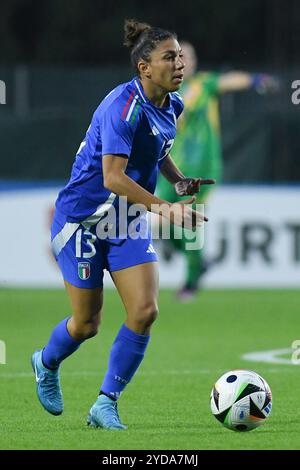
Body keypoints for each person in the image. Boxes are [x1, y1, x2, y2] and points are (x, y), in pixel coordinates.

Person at [31, 20, 215, 430]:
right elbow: (113, 177)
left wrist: (178, 180)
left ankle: (105, 403)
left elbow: (156, 151)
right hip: (83, 220)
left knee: (145, 310)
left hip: (126, 219)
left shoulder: (174, 104)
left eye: (180, 55)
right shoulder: (123, 106)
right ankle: (45, 362)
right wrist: (166, 209)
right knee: (86, 324)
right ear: (144, 67)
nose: (180, 63)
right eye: (170, 57)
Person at [157, 41, 279, 302]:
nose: (184, 61)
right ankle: (198, 261)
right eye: (178, 56)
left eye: (189, 55)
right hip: (171, 168)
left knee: (190, 222)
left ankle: (190, 282)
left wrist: (256, 79)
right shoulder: (163, 92)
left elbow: (229, 81)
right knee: (160, 222)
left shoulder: (203, 85)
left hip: (201, 169)